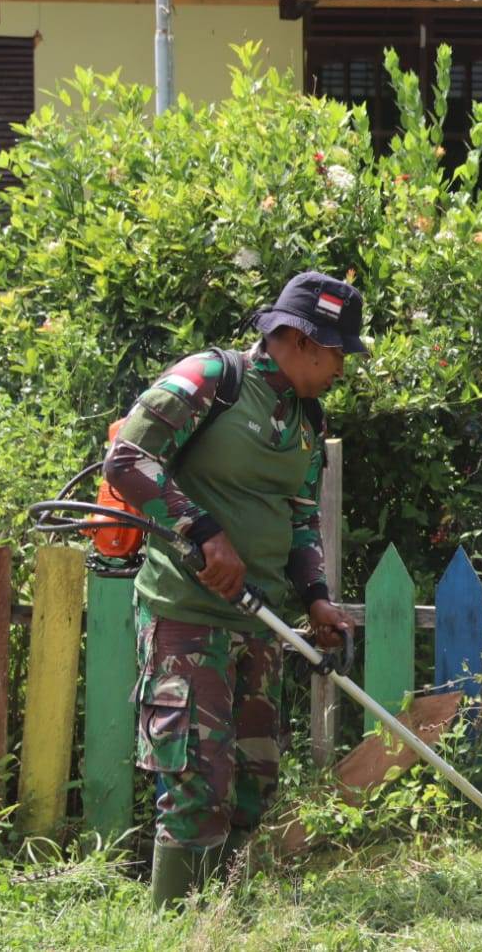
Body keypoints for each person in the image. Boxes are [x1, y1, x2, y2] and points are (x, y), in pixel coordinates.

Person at [103, 271, 366, 908]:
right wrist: (202, 529)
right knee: (198, 783)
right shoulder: (210, 379)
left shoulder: (307, 418)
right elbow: (127, 460)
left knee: (253, 783)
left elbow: (301, 517)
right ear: (301, 340)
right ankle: (176, 930)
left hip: (259, 621)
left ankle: (222, 921)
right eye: (337, 352)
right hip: (185, 613)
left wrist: (316, 597)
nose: (342, 367)